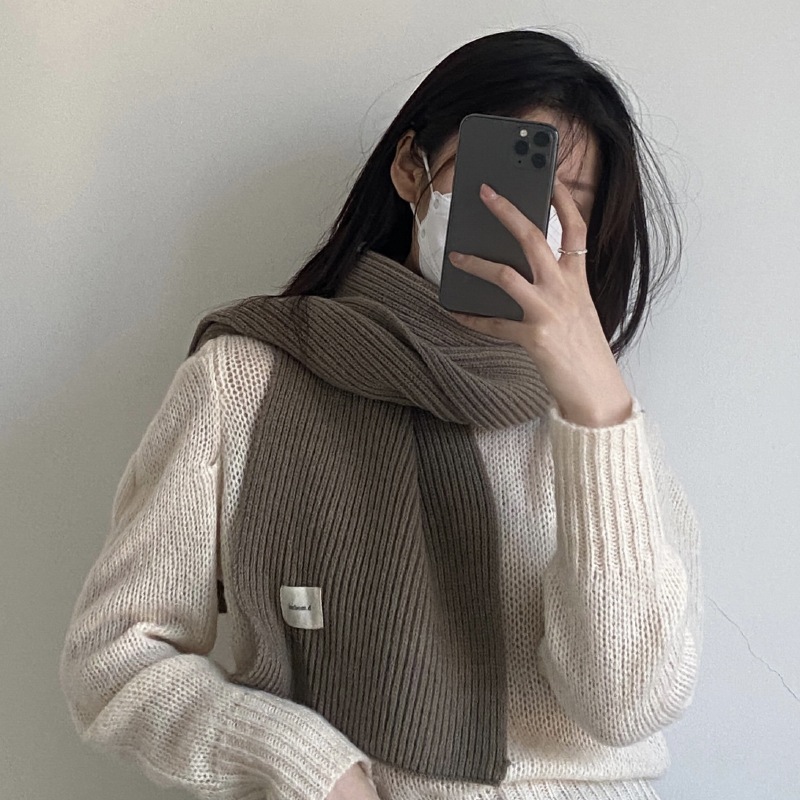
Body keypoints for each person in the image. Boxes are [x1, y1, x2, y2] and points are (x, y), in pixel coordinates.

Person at [59, 28, 702, 800]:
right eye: (509, 179)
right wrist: (307, 765)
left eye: (570, 202)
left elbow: (626, 705)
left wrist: (595, 405)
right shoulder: (246, 379)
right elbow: (114, 658)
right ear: (411, 168)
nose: (528, 224)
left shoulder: (603, 431)